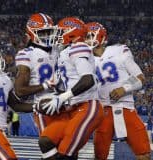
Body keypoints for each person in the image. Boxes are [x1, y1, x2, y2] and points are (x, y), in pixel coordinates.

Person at [38, 17, 104, 159]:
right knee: (46, 141)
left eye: (61, 32)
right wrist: (54, 96)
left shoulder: (78, 47)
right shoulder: (65, 52)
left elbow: (88, 79)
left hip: (88, 106)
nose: (57, 35)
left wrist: (63, 97)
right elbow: (70, 83)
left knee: (65, 154)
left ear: (71, 33)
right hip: (72, 108)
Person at [85, 22, 151, 160]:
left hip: (125, 107)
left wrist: (124, 88)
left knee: (143, 153)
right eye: (85, 37)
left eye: (89, 36)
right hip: (102, 111)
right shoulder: (84, 59)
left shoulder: (119, 50)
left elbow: (140, 78)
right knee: (99, 156)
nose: (86, 39)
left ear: (101, 36)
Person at [14, 13, 58, 134]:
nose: (47, 36)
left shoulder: (57, 49)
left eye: (49, 32)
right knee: (50, 144)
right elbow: (20, 90)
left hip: (64, 102)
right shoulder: (27, 54)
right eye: (43, 33)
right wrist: (45, 85)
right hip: (44, 105)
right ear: (32, 34)